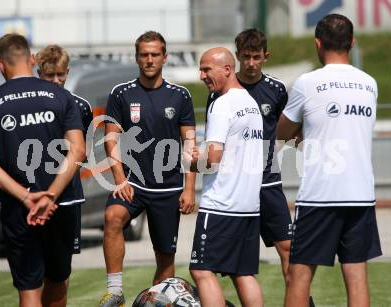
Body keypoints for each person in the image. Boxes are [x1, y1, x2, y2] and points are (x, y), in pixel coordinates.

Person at [277, 14, 382, 307]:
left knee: (300, 274)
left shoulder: (308, 82)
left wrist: (303, 139)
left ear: (318, 43)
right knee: (356, 273)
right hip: (360, 193)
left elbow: (281, 133)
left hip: (320, 194)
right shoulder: (369, 84)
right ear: (352, 41)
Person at [0, 34, 86, 307]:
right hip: (59, 204)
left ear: (1, 65)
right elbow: (78, 151)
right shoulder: (61, 95)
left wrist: (27, 198)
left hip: (19, 208)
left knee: (29, 290)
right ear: (32, 59)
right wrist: (50, 195)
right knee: (58, 284)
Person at [99, 31, 196, 307]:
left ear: (164, 57)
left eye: (155, 54)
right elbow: (111, 139)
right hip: (133, 182)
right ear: (137, 57)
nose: (149, 59)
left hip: (169, 187)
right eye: (144, 54)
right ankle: (115, 291)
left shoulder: (180, 96)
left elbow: (189, 143)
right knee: (113, 217)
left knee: (165, 258)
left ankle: (159, 302)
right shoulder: (121, 93)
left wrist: (189, 188)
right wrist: (119, 179)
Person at [207, 28, 292, 281]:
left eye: (257, 57)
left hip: (267, 180)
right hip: (235, 184)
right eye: (246, 57)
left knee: (288, 247)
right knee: (229, 258)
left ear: (266, 56)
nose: (252, 63)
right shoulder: (219, 91)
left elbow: (287, 131)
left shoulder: (276, 90)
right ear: (237, 57)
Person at [188, 47, 264, 307]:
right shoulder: (251, 104)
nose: (201, 75)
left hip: (221, 204)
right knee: (242, 273)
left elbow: (213, 158)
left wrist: (193, 160)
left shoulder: (221, 104)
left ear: (227, 69)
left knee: (201, 270)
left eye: (207, 69)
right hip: (248, 206)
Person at [36, 44, 93, 255]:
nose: (56, 80)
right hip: (35, 192)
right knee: (36, 262)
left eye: (60, 74)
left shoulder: (81, 107)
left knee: (63, 264)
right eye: (50, 75)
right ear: (39, 73)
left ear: (68, 72)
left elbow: (82, 153)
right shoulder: (28, 105)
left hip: (68, 194)